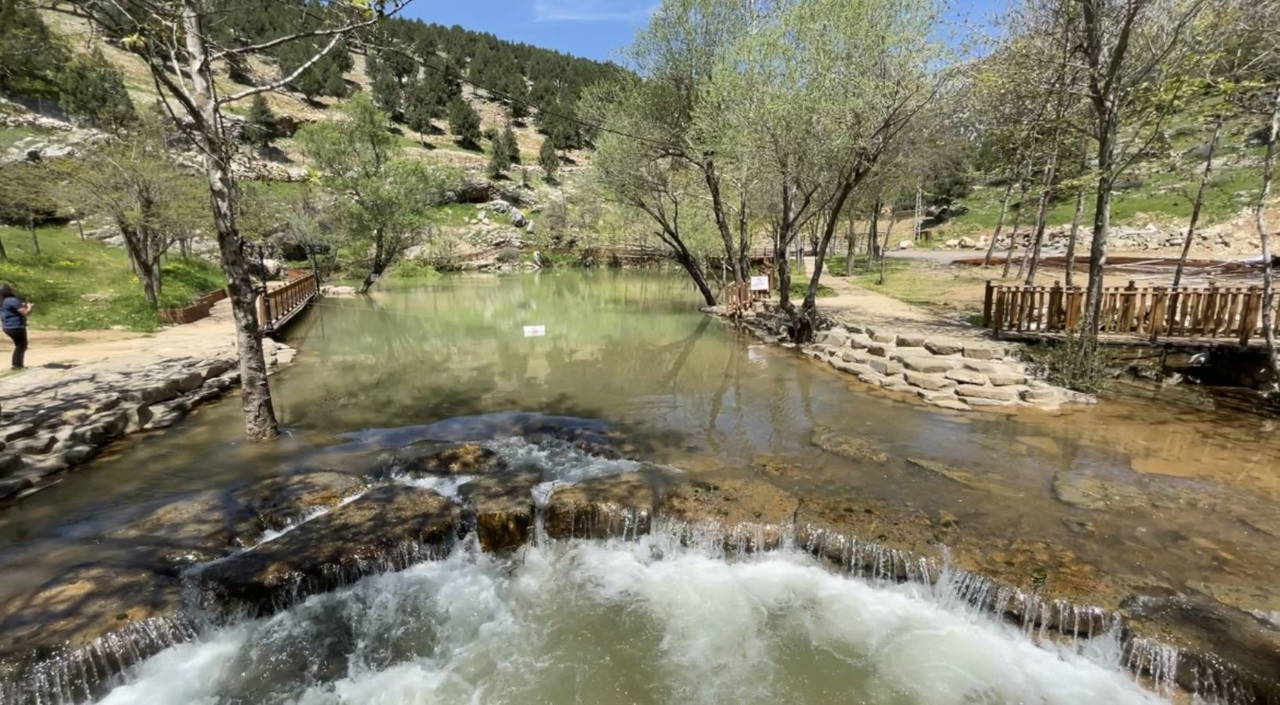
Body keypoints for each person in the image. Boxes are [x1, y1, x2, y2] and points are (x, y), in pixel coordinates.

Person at [1, 284, 33, 370]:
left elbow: (13, 309)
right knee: (21, 345)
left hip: (7, 326)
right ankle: (17, 365)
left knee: (19, 345)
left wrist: (21, 305)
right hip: (16, 326)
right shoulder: (13, 300)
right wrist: (30, 307)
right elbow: (26, 313)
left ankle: (17, 365)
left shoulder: (3, 301)